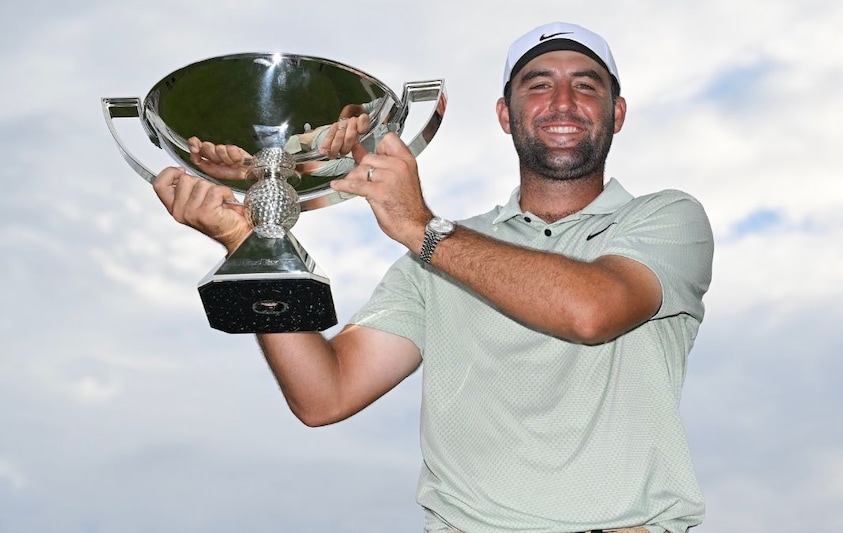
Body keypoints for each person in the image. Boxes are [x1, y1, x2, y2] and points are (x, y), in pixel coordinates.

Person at [153, 21, 713, 533]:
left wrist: (422, 228)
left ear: (617, 113)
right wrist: (251, 245)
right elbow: (324, 394)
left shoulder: (664, 218)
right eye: (538, 85)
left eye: (587, 85)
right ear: (505, 114)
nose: (562, 102)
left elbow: (593, 311)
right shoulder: (436, 258)